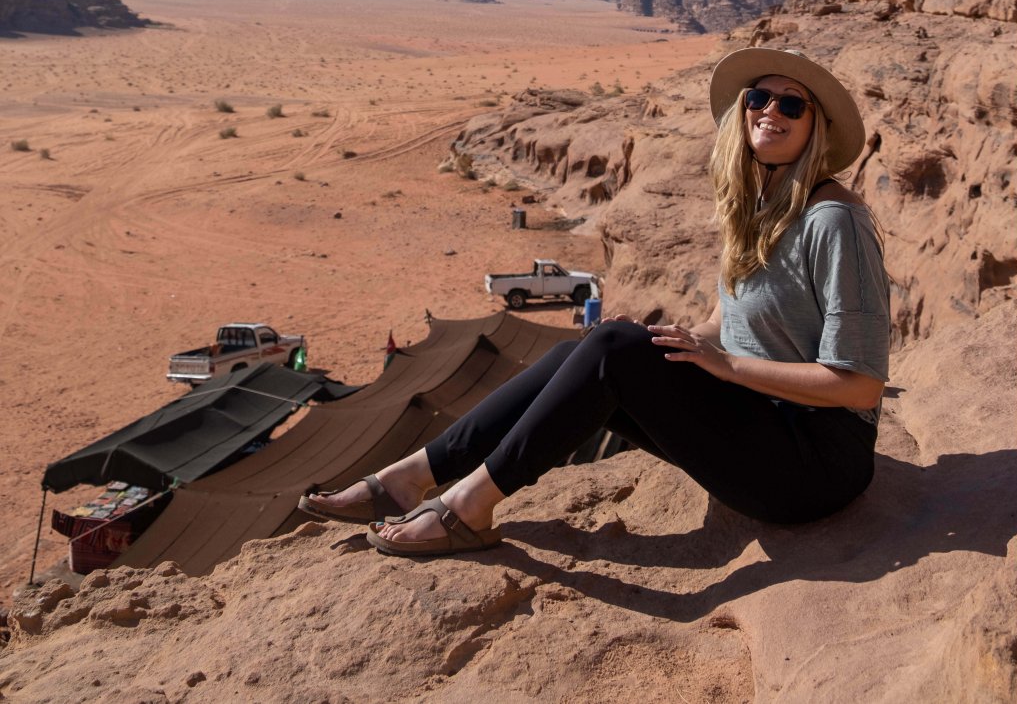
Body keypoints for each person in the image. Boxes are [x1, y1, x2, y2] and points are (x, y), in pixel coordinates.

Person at [297, 47, 891, 557]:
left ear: (818, 128)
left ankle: (468, 507)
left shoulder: (833, 220)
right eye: (758, 98)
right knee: (589, 352)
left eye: (793, 105)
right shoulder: (764, 206)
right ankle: (412, 476)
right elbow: (723, 322)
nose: (769, 112)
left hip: (815, 466)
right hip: (761, 428)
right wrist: (679, 343)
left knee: (611, 349)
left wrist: (726, 367)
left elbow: (859, 386)